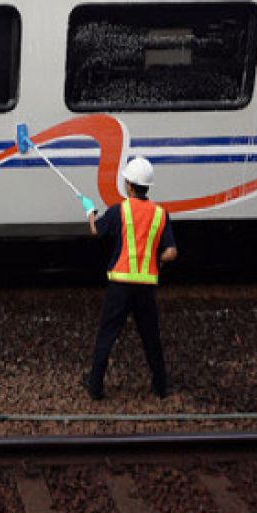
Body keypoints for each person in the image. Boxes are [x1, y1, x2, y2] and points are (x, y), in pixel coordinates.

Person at [79, 156, 177, 400]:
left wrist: (90, 212)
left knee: (107, 335)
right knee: (151, 337)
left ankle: (95, 387)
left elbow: (96, 231)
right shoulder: (160, 214)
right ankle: (160, 387)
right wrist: (157, 262)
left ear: (130, 186)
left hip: (120, 285)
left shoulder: (119, 211)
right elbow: (172, 252)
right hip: (145, 287)